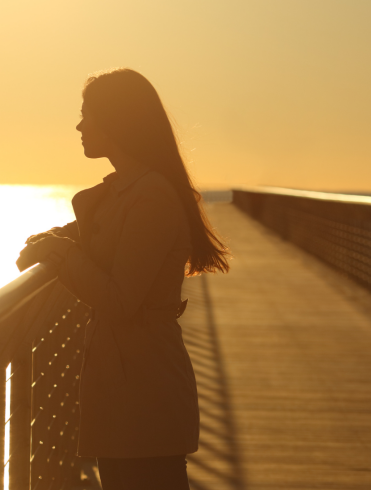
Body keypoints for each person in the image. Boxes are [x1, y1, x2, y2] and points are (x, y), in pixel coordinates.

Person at [17, 68, 230, 490]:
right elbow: (102, 242)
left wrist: (60, 252)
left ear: (116, 119)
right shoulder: (125, 192)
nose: (79, 125)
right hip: (125, 387)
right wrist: (59, 240)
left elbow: (119, 300)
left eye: (87, 114)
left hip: (144, 393)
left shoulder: (150, 196)